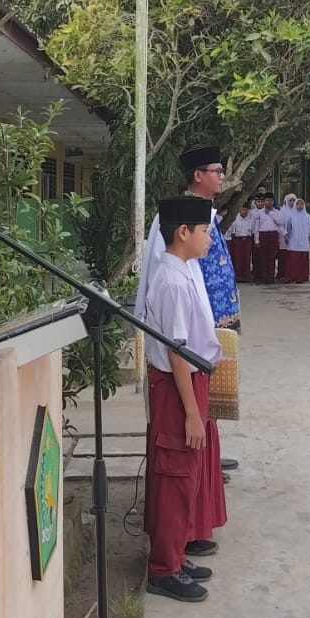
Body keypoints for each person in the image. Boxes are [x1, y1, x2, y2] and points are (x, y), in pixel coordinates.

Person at [134, 146, 241, 492]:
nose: (222, 177)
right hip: (186, 330)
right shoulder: (177, 218)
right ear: (198, 175)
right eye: (217, 171)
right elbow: (166, 271)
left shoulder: (206, 216)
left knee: (212, 403)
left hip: (211, 323)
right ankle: (200, 460)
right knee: (191, 409)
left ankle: (210, 456)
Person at [141, 195, 220, 601]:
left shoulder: (182, 270)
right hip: (177, 386)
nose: (209, 238)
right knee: (175, 474)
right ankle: (163, 569)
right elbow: (176, 352)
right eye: (204, 231)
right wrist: (191, 413)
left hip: (188, 382)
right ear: (183, 232)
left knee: (186, 474)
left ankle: (174, 554)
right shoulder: (171, 281)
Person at [253, 194, 283, 284]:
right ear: (264, 201)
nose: (269, 202)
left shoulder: (277, 212)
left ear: (273, 202)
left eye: (271, 200)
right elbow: (256, 228)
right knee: (262, 257)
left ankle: (271, 277)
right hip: (263, 235)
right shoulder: (259, 213)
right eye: (267, 200)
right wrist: (256, 240)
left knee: (272, 257)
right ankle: (263, 277)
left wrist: (270, 213)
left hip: (273, 235)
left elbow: (280, 222)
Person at [285, 196, 310, 283]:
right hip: (293, 241)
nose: (299, 206)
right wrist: (288, 237)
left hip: (304, 242)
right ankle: (291, 276)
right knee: (293, 260)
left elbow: (309, 229)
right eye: (298, 204)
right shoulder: (291, 216)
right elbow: (288, 228)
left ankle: (301, 277)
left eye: (301, 204)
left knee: (302, 260)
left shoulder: (308, 217)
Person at [228, 202, 255, 284]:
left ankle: (246, 276)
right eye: (242, 209)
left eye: (246, 210)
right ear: (239, 210)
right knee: (237, 258)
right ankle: (238, 276)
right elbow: (232, 231)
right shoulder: (235, 220)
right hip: (237, 239)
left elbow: (254, 231)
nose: (244, 211)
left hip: (247, 240)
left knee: (247, 258)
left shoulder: (250, 220)